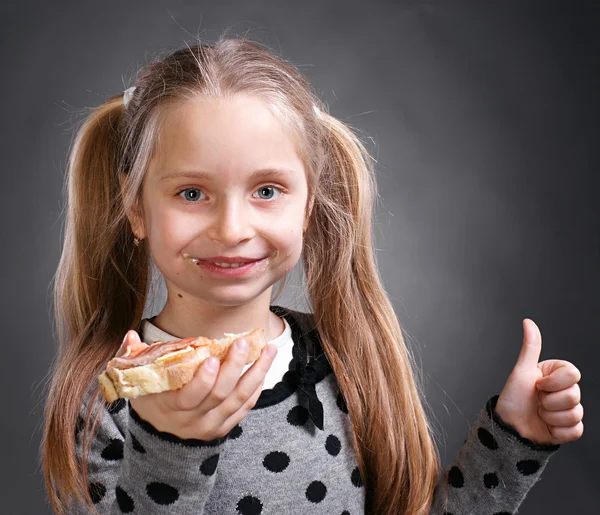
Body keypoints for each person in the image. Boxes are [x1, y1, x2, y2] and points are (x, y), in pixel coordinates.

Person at [41, 37, 583, 515]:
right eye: (191, 193)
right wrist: (169, 444)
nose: (232, 228)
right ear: (135, 208)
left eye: (267, 191)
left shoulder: (345, 361)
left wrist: (512, 443)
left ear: (307, 207)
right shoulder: (105, 397)